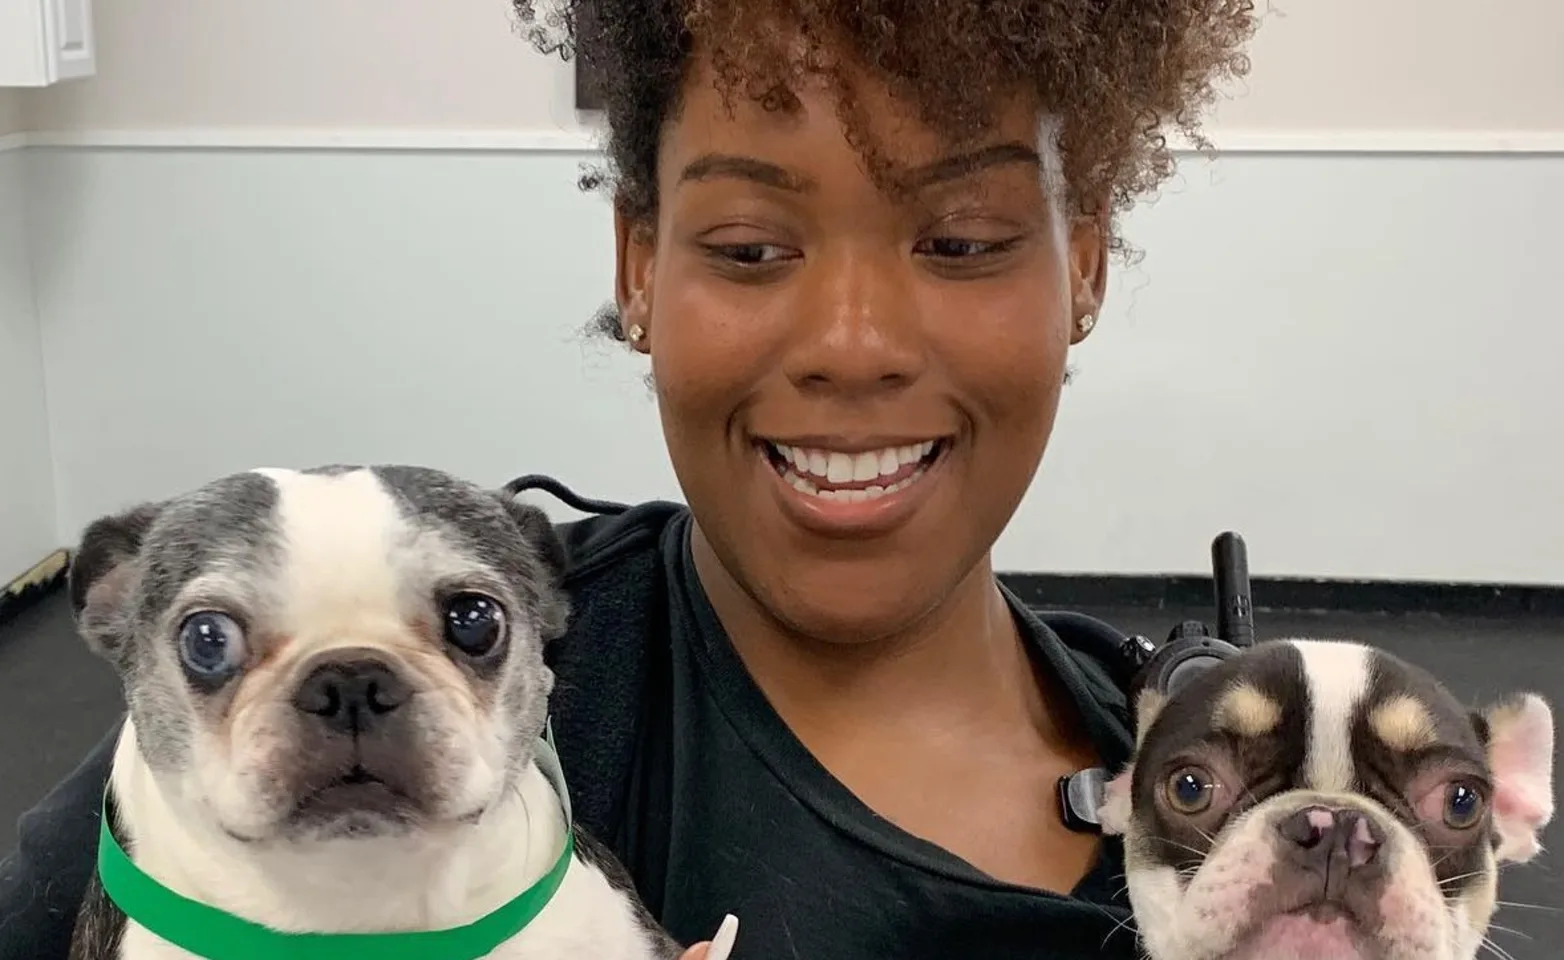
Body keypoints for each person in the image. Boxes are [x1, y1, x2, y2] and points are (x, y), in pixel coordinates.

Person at [0, 1, 1258, 956]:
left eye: (962, 241)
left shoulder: (1270, 812)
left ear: (1080, 265)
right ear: (640, 265)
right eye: (750, 247)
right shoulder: (514, 666)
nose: (853, 344)